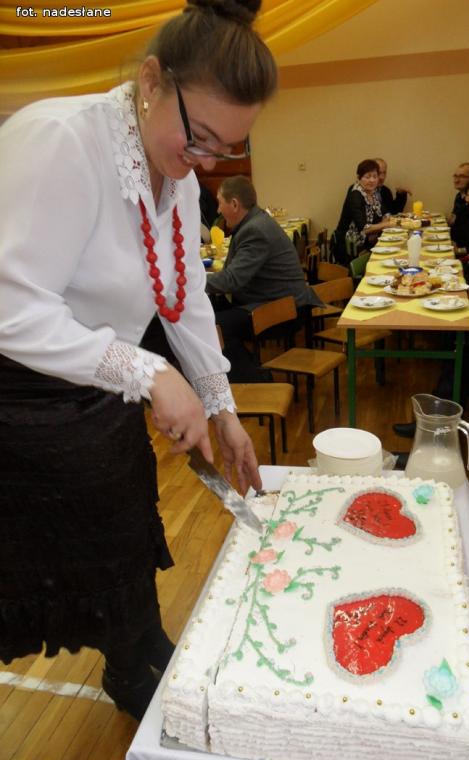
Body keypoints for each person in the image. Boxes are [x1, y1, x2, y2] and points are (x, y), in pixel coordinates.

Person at [0, 0, 276, 721]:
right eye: (201, 137)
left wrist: (221, 407)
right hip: (17, 400)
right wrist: (150, 372)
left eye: (227, 148)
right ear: (151, 80)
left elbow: (183, 298)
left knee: (124, 528)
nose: (207, 162)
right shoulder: (61, 141)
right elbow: (11, 309)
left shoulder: (173, 167)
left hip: (95, 386)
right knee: (25, 562)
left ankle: (135, 658)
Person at [205, 175, 321, 379]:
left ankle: (255, 379)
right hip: (278, 300)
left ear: (234, 204)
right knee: (207, 313)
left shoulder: (254, 229)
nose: (218, 210)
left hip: (284, 308)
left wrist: (190, 282)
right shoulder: (256, 221)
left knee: (214, 326)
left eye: (220, 203)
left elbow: (232, 280)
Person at [334, 159, 390, 264]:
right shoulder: (355, 195)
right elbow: (364, 228)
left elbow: (386, 214)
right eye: (367, 177)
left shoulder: (373, 193)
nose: (372, 180)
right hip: (350, 246)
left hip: (367, 242)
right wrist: (385, 225)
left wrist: (376, 229)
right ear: (359, 178)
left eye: (375, 176)